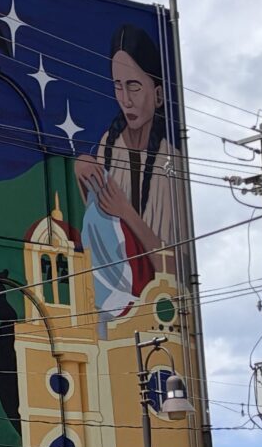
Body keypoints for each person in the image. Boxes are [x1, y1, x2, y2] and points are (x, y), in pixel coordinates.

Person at [72, 21, 184, 330]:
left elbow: (176, 269)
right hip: (110, 304)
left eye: (134, 85)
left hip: (157, 317)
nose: (126, 98)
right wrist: (82, 168)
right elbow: (98, 224)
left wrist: (126, 212)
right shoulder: (110, 143)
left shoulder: (171, 163)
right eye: (118, 86)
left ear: (158, 94)